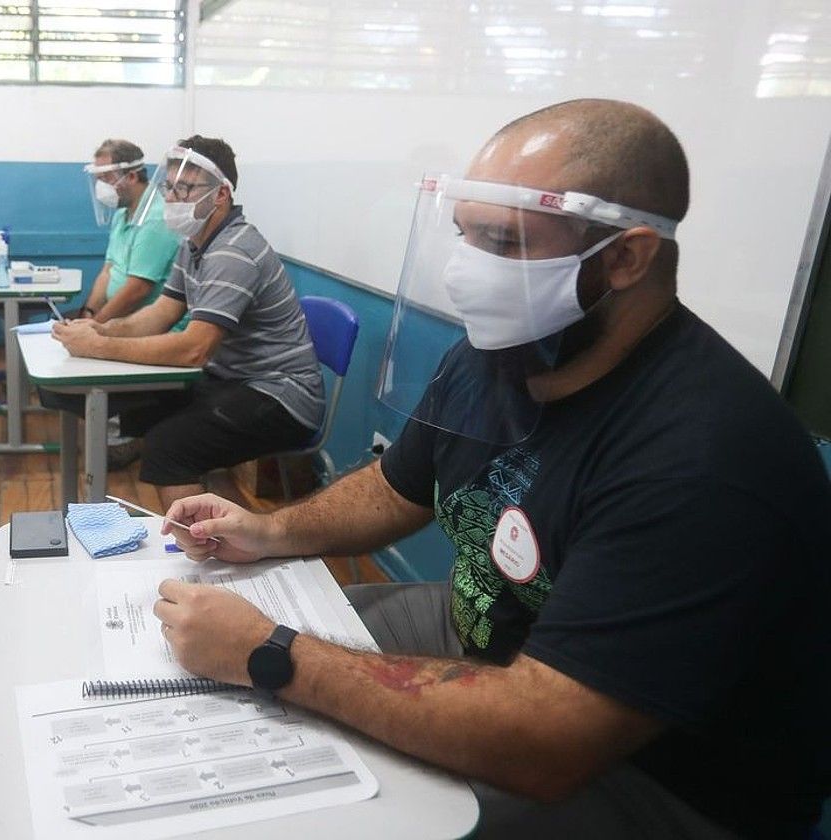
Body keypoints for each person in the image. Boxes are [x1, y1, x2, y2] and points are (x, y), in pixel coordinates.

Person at [156, 100, 831, 838]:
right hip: (486, 633)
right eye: (463, 235)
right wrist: (269, 532)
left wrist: (273, 655)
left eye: (502, 241)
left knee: (329, 802)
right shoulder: (504, 352)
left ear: (626, 257)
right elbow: (394, 486)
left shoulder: (705, 459)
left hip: (653, 778)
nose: (467, 271)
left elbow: (547, 743)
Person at [47, 136, 325, 509]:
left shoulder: (233, 252)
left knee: (168, 447)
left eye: (186, 188)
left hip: (281, 396)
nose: (174, 198)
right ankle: (91, 517)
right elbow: (161, 312)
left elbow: (194, 349)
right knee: (131, 408)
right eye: (170, 187)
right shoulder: (193, 242)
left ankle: (202, 555)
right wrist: (99, 329)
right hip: (232, 380)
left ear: (221, 194)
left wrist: (99, 346)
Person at [79, 139, 185, 466]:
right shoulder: (124, 214)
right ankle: (108, 430)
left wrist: (97, 327)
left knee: (85, 345)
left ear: (133, 175)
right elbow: (108, 272)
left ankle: (124, 436)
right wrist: (88, 314)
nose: (101, 187)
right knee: (70, 331)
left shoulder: (156, 218)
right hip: (120, 315)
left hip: (150, 323)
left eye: (106, 177)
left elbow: (138, 289)